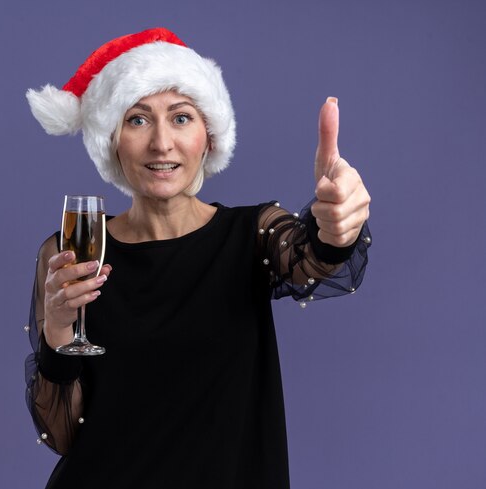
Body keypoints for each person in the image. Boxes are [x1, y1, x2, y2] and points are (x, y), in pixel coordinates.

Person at [24, 27, 371, 489]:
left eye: (182, 118)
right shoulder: (73, 251)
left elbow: (313, 258)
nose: (162, 143)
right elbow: (65, 434)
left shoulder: (255, 235)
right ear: (111, 140)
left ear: (209, 136)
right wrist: (57, 331)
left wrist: (334, 228)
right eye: (138, 120)